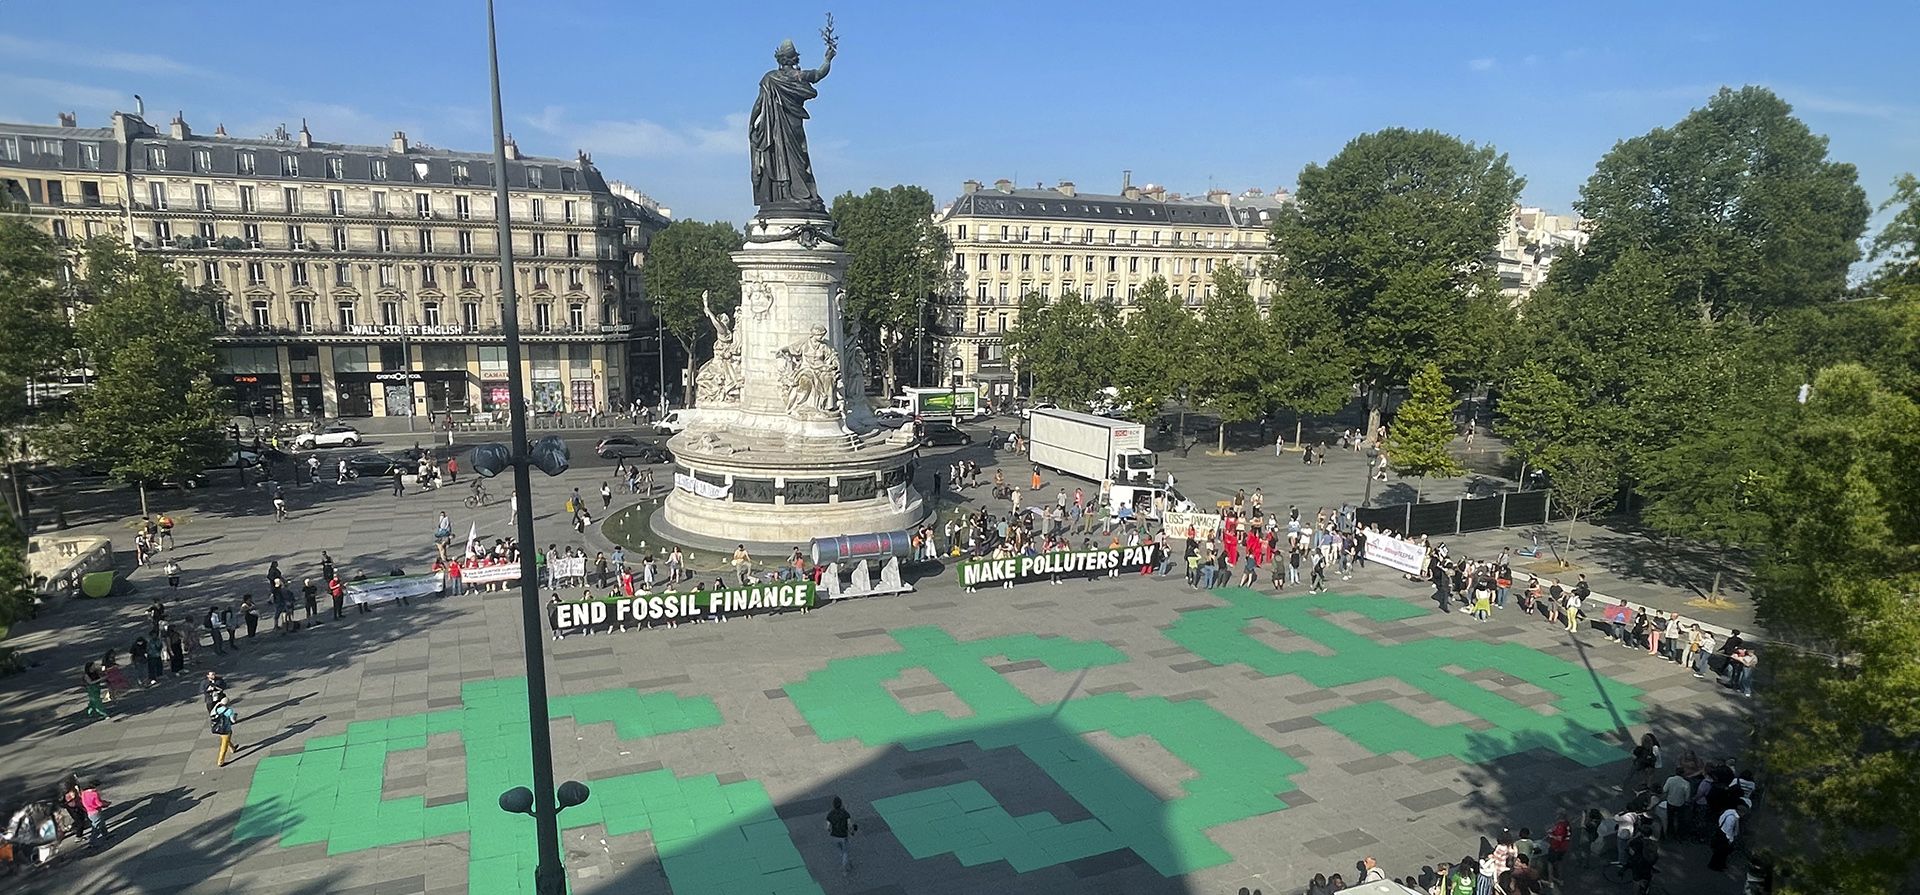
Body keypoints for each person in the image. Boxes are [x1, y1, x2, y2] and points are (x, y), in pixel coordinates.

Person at [824, 796, 856, 874]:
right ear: (841, 804)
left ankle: (848, 862)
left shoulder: (830, 814)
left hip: (834, 836)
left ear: (833, 805)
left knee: (841, 851)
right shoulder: (845, 813)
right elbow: (849, 825)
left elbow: (828, 827)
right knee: (845, 851)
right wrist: (852, 832)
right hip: (843, 836)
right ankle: (844, 866)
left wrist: (830, 830)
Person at [210, 695, 239, 767]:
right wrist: (235, 716)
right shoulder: (229, 711)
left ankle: (232, 748)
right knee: (224, 745)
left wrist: (217, 704)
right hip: (226, 729)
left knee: (226, 739)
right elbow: (233, 721)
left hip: (219, 728)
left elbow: (211, 713)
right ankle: (220, 761)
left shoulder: (217, 709)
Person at [79, 780, 110, 847]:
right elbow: (99, 804)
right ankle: (92, 842)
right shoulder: (94, 794)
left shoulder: (84, 793)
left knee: (102, 823)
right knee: (96, 828)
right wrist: (106, 803)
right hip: (95, 812)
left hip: (89, 812)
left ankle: (106, 834)